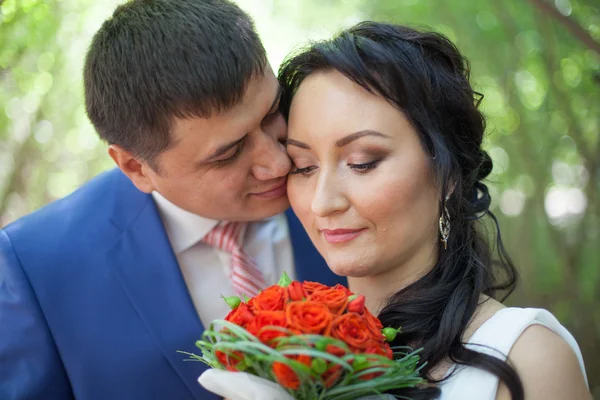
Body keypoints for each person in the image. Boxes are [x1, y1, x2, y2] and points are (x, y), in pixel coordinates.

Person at [200, 22, 591, 400]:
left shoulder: (527, 358)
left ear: (448, 173)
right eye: (304, 166)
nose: (321, 202)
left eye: (363, 162)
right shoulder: (291, 356)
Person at [0, 1, 344, 399]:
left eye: (271, 114)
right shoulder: (35, 267)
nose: (278, 161)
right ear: (136, 168)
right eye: (228, 153)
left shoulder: (353, 187)